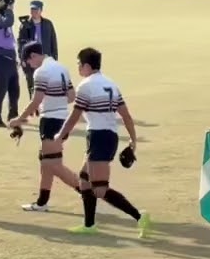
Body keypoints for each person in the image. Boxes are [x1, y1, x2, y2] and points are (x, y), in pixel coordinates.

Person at [56, 47, 148, 237]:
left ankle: (139, 216)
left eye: (79, 65)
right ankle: (89, 225)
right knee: (84, 180)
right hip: (108, 136)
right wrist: (132, 140)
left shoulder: (86, 85)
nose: (79, 69)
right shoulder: (111, 84)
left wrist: (61, 135)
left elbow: (75, 116)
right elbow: (126, 116)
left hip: (99, 137)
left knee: (99, 189)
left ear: (87, 66)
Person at [8, 42, 82, 212]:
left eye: (28, 62)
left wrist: (19, 119)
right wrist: (54, 101)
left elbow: (37, 100)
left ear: (33, 56)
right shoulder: (61, 67)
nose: (30, 66)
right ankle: (42, 202)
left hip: (50, 120)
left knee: (53, 164)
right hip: (62, 117)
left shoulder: (41, 72)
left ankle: (86, 190)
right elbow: (71, 96)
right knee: (46, 161)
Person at [16, 0, 59, 95]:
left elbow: (53, 41)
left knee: (47, 86)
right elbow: (20, 44)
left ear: (41, 10)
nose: (33, 11)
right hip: (31, 61)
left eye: (36, 9)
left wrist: (55, 58)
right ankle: (35, 108)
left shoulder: (48, 24)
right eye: (32, 9)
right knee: (32, 87)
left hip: (46, 59)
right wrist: (22, 58)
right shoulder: (25, 25)